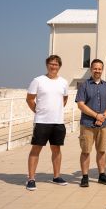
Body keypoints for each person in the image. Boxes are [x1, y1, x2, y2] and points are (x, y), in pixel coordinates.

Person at [25, 55, 69, 191]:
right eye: (51, 64)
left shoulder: (63, 82)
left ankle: (56, 176)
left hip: (58, 122)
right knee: (36, 149)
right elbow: (30, 99)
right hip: (42, 122)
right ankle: (31, 179)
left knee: (56, 149)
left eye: (56, 64)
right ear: (47, 65)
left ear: (59, 66)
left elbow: (65, 99)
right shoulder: (38, 81)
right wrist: (38, 112)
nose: (53, 66)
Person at [75, 59, 106, 187]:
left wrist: (103, 116)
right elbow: (80, 104)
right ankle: (85, 177)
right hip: (87, 124)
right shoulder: (84, 85)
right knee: (86, 151)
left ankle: (102, 175)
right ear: (91, 69)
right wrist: (96, 115)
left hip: (103, 124)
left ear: (102, 70)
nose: (97, 71)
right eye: (95, 68)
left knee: (102, 150)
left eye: (99, 68)